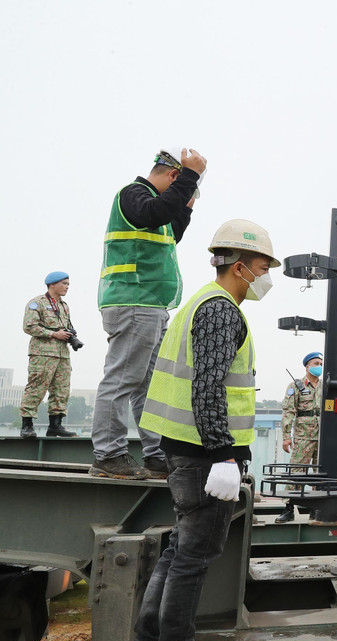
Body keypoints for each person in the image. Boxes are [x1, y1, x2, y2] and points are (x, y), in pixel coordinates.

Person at [125, 219, 279, 641]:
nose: (267, 276)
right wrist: (224, 456)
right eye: (264, 266)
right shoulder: (219, 310)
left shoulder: (201, 304)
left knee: (179, 553)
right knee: (191, 560)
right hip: (203, 457)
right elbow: (208, 387)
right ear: (240, 266)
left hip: (187, 450)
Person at [90, 148, 207, 480]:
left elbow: (172, 231)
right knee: (123, 378)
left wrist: (187, 202)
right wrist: (191, 175)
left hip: (150, 305)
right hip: (133, 301)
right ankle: (108, 454)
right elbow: (155, 213)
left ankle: (155, 455)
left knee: (150, 385)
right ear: (173, 177)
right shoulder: (134, 194)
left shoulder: (156, 208)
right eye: (181, 184)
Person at [19, 272, 79, 438]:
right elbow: (29, 326)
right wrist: (53, 334)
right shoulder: (36, 303)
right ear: (52, 284)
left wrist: (70, 335)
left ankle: (55, 425)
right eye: (64, 283)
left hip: (62, 355)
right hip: (42, 353)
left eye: (68, 284)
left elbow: (64, 326)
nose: (67, 287)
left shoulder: (64, 305)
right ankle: (27, 425)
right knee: (36, 387)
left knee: (61, 390)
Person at [275, 351, 324, 523]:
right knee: (296, 471)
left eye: (320, 364)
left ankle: (316, 509)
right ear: (307, 366)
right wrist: (286, 436)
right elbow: (288, 411)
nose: (319, 367)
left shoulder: (325, 386)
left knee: (321, 473)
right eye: (316, 363)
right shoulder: (296, 386)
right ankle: (288, 508)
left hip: (323, 436)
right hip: (304, 435)